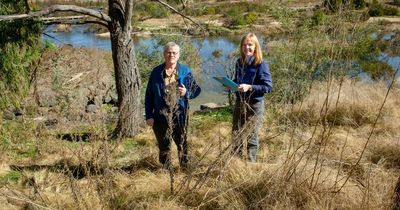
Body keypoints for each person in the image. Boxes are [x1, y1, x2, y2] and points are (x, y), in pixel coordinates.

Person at [145, 42, 201, 169]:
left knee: (182, 143)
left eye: (174, 53)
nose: (171, 55)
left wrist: (187, 92)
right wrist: (149, 115)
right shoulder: (156, 72)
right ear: (164, 54)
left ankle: (185, 169)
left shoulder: (185, 71)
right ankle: (165, 171)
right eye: (168, 52)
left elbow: (196, 90)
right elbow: (148, 95)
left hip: (180, 114)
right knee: (164, 145)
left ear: (178, 55)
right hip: (160, 115)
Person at [231, 33, 272, 162]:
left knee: (251, 135)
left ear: (255, 47)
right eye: (244, 45)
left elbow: (268, 87)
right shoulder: (239, 62)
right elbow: (237, 81)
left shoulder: (261, 64)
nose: (246, 47)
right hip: (240, 102)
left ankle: (250, 163)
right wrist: (231, 84)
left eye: (250, 45)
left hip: (255, 104)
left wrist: (249, 87)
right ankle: (236, 162)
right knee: (236, 132)